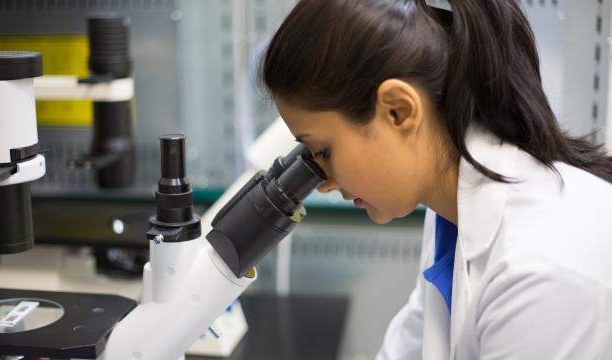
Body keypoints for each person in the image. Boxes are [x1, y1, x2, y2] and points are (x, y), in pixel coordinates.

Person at [259, 0, 612, 359]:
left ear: (399, 111)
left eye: (323, 151)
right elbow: (408, 348)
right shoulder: (450, 213)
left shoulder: (541, 274)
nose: (323, 183)